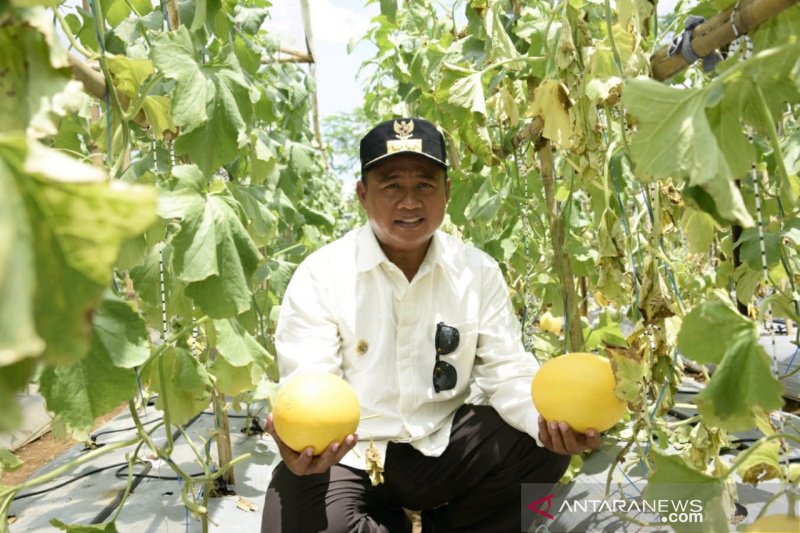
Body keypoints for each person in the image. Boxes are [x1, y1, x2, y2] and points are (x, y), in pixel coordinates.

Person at [261, 117, 601, 533]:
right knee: (297, 517)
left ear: (446, 193)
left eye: (424, 185)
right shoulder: (322, 275)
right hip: (349, 456)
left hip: (439, 444)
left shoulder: (476, 271)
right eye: (391, 186)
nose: (410, 202)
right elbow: (310, 386)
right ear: (363, 196)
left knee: (541, 447)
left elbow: (507, 371)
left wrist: (546, 423)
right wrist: (303, 439)